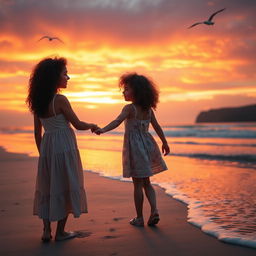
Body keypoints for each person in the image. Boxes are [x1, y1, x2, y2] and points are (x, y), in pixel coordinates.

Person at [26, 57, 98, 242]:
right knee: (66, 184)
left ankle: (46, 231)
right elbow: (78, 124)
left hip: (48, 147)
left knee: (48, 186)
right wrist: (92, 125)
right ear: (54, 78)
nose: (68, 77)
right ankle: (60, 232)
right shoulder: (60, 100)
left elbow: (37, 133)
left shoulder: (38, 101)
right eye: (65, 74)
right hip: (64, 147)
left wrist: (43, 154)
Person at [94, 73, 170, 227]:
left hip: (136, 149)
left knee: (137, 184)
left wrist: (102, 130)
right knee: (147, 182)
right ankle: (154, 210)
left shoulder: (130, 109)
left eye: (126, 89)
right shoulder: (148, 109)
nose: (123, 92)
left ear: (136, 91)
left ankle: (140, 217)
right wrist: (164, 142)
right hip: (148, 147)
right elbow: (157, 127)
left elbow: (116, 122)